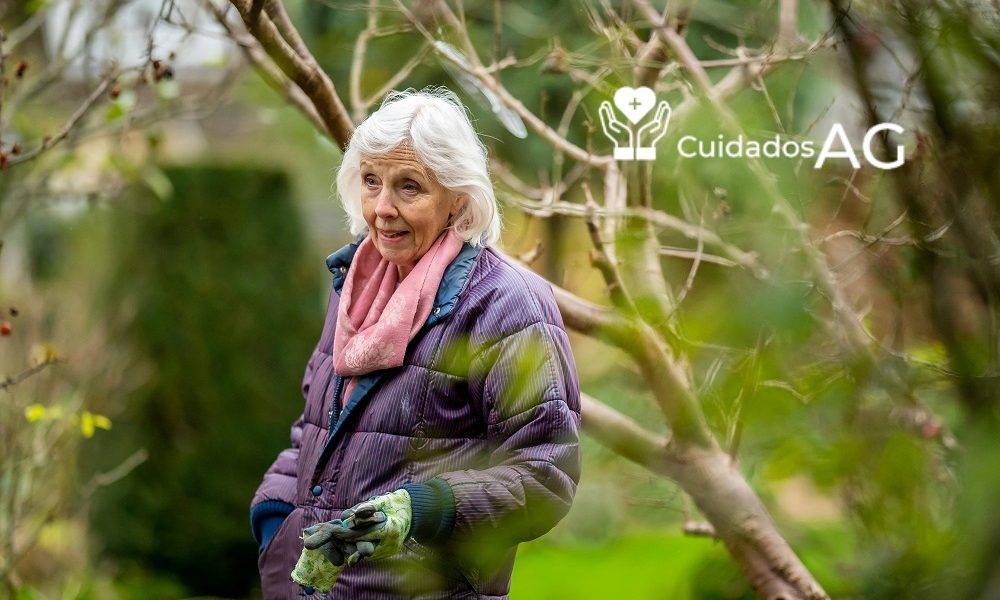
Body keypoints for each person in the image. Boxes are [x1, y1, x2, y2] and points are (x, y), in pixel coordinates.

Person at [250, 87, 582, 599]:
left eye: (409, 187)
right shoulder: (358, 285)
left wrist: (422, 508)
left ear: (458, 197)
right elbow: (316, 429)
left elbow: (546, 473)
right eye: (370, 181)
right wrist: (276, 523)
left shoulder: (506, 305)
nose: (382, 208)